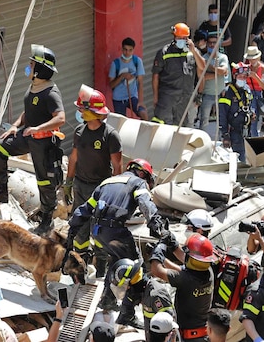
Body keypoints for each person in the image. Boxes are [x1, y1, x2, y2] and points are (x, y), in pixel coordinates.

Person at [67, 159, 159, 328]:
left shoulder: (107, 182)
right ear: (142, 173)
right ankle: (128, 315)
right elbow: (145, 203)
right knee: (136, 268)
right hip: (115, 231)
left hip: (98, 232)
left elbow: (87, 207)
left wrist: (73, 227)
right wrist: (156, 222)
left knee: (116, 262)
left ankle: (108, 301)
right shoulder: (138, 182)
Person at [0, 45, 65, 235]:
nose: (28, 67)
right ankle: (1, 189)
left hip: (43, 143)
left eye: (31, 64)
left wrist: (39, 128)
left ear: (40, 69)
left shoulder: (51, 92)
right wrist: (15, 125)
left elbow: (61, 118)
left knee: (45, 182)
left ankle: (47, 221)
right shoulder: (34, 86)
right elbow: (28, 111)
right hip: (27, 136)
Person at [67, 83, 123, 225]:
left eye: (81, 108)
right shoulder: (79, 131)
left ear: (91, 111)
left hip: (100, 188)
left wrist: (114, 192)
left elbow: (117, 167)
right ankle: (80, 248)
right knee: (79, 224)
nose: (79, 111)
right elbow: (73, 158)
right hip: (80, 185)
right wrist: (68, 182)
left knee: (99, 224)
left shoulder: (110, 135)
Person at [150, 234, 216, 342]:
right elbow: (183, 267)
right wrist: (173, 245)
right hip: (203, 335)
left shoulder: (186, 279)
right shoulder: (208, 273)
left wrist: (158, 251)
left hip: (189, 338)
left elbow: (157, 270)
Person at [152, 23, 205, 125]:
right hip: (167, 97)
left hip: (185, 98)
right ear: (174, 37)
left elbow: (202, 67)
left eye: (184, 38)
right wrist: (155, 96)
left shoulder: (192, 52)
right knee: (162, 125)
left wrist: (193, 50)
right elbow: (155, 76)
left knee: (181, 127)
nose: (181, 40)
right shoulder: (164, 52)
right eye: (179, 38)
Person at [219, 63, 253, 161]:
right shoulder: (227, 92)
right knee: (239, 159)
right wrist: (225, 135)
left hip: (246, 130)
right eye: (240, 76)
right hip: (234, 132)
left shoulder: (247, 89)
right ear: (235, 76)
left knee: (248, 158)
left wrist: (252, 113)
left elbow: (249, 104)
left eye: (244, 77)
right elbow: (222, 115)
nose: (242, 79)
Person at [197, 35, 230, 132]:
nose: (212, 45)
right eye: (210, 42)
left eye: (214, 42)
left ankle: (221, 139)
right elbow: (203, 76)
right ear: (207, 44)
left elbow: (223, 71)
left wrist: (209, 66)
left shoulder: (223, 57)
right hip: (207, 95)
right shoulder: (203, 58)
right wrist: (217, 73)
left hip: (220, 95)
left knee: (222, 120)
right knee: (204, 120)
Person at [109, 37, 147, 119]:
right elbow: (111, 85)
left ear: (133, 50)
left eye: (130, 50)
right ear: (122, 49)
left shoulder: (137, 61)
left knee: (144, 114)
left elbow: (140, 82)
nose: (127, 52)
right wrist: (122, 76)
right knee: (121, 123)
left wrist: (140, 101)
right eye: (125, 49)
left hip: (132, 96)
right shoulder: (115, 64)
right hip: (118, 98)